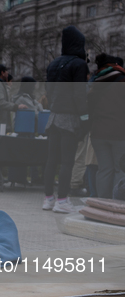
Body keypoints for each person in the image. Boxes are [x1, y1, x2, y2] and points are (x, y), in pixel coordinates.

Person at [42, 26, 89, 213]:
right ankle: (62, 201)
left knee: (51, 160)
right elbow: (80, 95)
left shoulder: (53, 64)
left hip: (53, 117)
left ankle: (48, 199)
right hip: (69, 118)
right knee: (67, 161)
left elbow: (48, 91)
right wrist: (85, 118)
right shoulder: (79, 64)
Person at [87, 53, 125, 199]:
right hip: (119, 133)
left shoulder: (95, 86)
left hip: (98, 134)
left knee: (104, 170)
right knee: (120, 169)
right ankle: (118, 204)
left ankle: (102, 203)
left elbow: (88, 111)